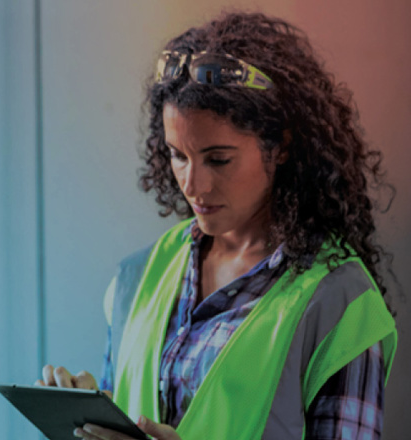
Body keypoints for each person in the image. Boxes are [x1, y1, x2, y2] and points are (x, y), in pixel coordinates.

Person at [36, 11, 398, 440]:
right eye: (178, 155)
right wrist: (94, 415)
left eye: (218, 159)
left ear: (280, 146)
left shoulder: (340, 305)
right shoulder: (135, 279)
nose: (193, 185)